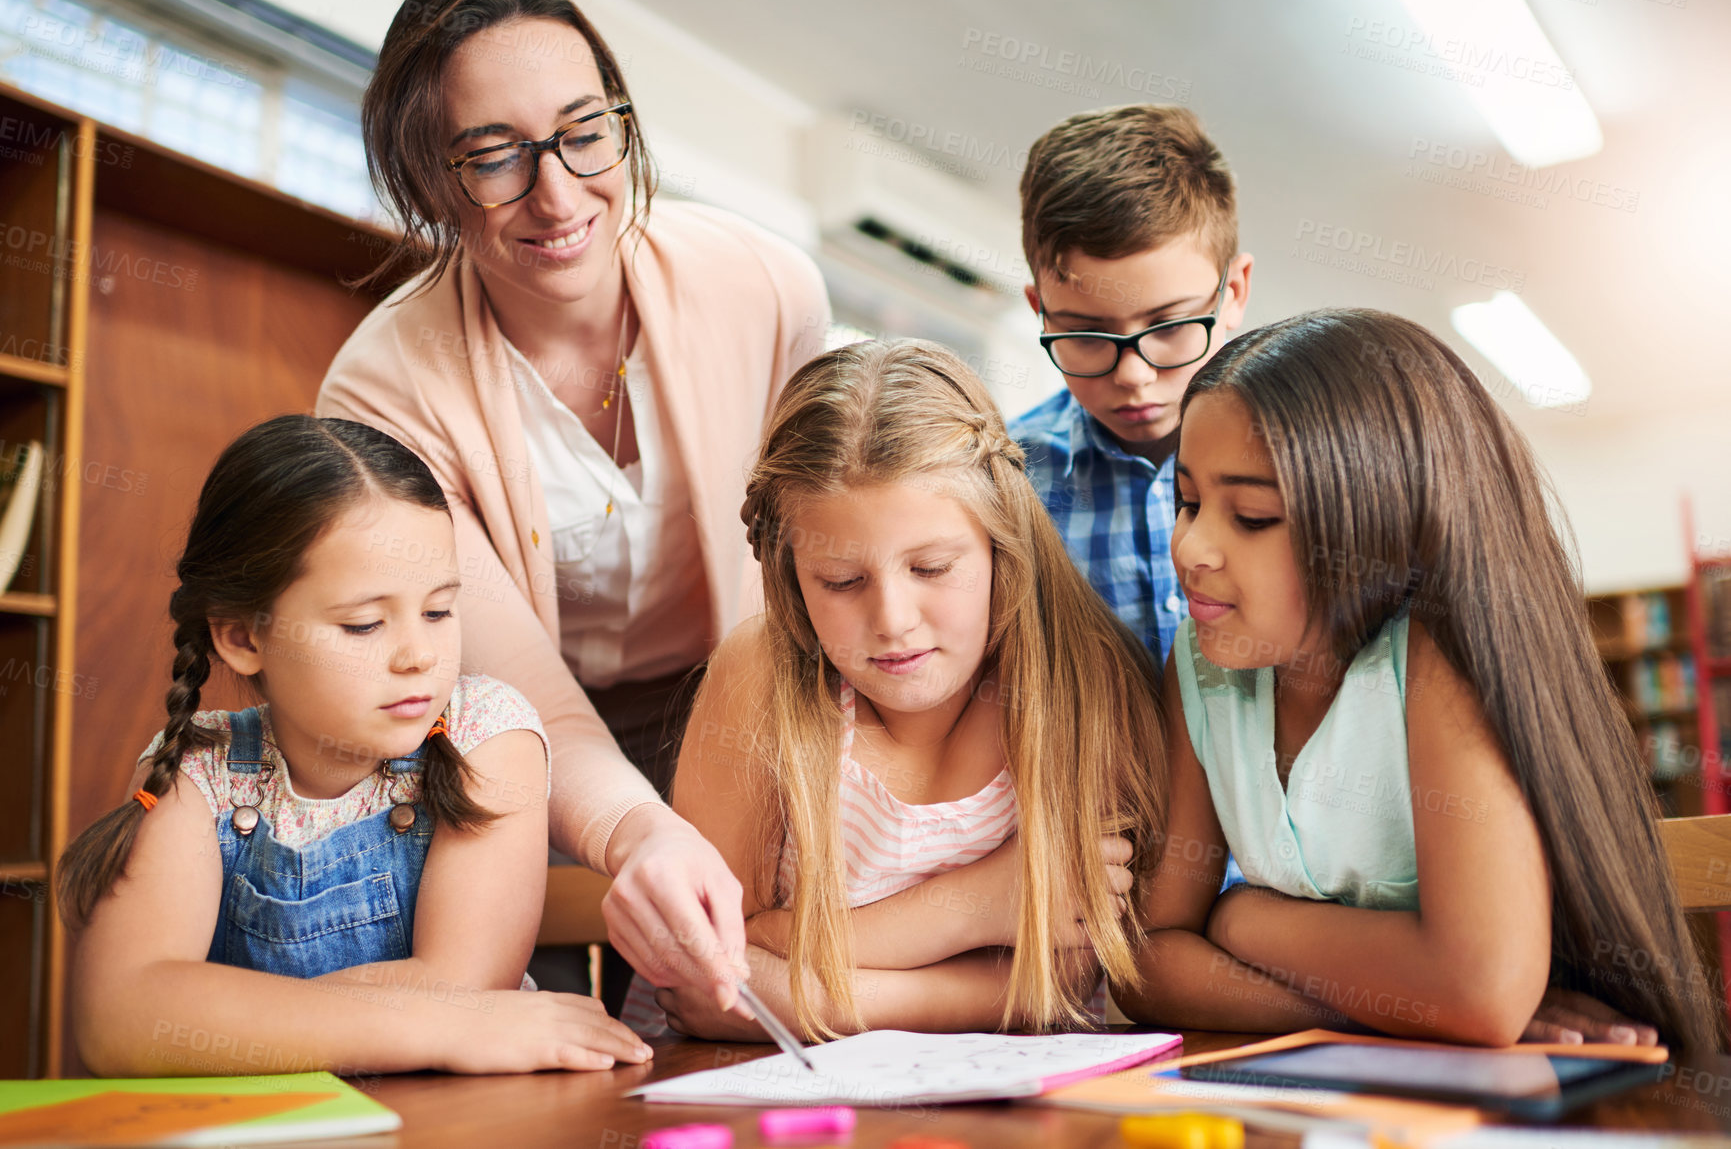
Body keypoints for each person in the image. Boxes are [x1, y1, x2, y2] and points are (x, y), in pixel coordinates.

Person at [317, 0, 830, 1012]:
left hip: (747, 700)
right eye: (495, 155)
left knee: (741, 998)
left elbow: (817, 564)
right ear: (431, 177)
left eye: (585, 134)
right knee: (554, 1021)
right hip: (517, 734)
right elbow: (518, 696)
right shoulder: (379, 398)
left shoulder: (766, 288)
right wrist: (635, 827)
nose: (558, 196)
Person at [1117, 310, 1720, 1054]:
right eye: (1186, 502)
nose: (1191, 546)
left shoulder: (1435, 654)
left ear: (1375, 526)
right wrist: (1378, 1005)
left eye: (1251, 515)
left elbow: (1477, 991)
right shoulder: (1200, 666)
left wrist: (1240, 918)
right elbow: (1144, 962)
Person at [55, 416, 654, 1075]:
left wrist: (224, 1016)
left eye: (438, 610)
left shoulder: (488, 735)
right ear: (242, 637)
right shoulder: (202, 771)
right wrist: (439, 1019)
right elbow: (120, 1019)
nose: (419, 655)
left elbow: (462, 990)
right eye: (364, 623)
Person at [631, 339, 1164, 1040]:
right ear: (790, 573)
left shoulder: (1080, 686)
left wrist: (800, 967)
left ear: (1003, 541)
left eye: (933, 568)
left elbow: (1063, 979)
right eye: (841, 581)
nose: (891, 621)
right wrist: (980, 903)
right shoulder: (761, 676)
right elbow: (708, 968)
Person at [1010, 104, 1252, 666]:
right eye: (1086, 335)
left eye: (1169, 327)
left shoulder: (1309, 456)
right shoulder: (1004, 486)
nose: (1134, 375)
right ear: (1041, 312)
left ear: (1233, 292)